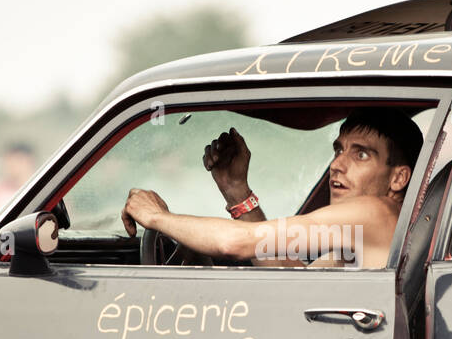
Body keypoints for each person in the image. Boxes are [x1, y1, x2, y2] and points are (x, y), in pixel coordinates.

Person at [121, 107, 423, 269]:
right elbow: (285, 272)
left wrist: (157, 218)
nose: (337, 165)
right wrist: (236, 189)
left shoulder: (376, 213)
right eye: (338, 150)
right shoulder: (353, 241)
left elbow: (236, 243)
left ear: (398, 178)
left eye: (361, 154)